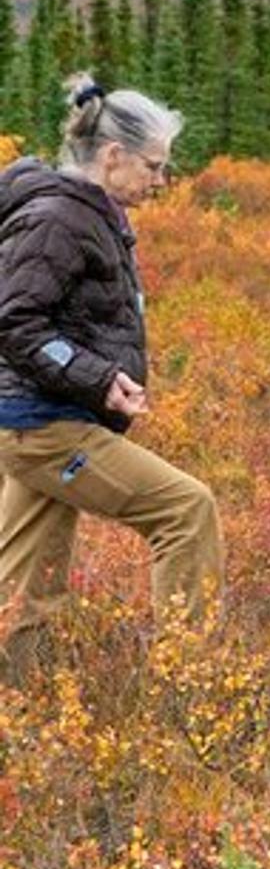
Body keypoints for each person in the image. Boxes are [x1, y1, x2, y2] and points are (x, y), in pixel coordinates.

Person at [0, 74, 222, 679]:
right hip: (42, 425)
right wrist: (99, 380)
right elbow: (14, 322)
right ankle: (192, 682)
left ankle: (16, 698)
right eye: (153, 165)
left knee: (28, 577)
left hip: (37, 418)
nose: (161, 180)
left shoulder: (89, 213)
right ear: (113, 155)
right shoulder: (59, 219)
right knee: (186, 510)